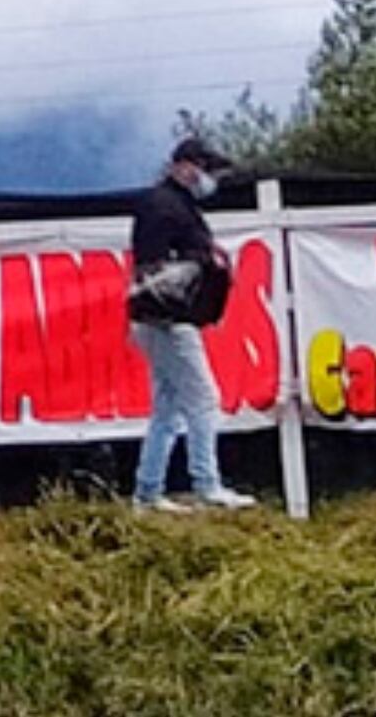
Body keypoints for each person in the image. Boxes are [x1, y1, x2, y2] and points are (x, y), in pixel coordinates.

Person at [128, 135, 257, 513]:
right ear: (184, 165)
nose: (208, 177)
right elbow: (157, 267)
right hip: (167, 318)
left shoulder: (170, 204)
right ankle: (207, 484)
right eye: (205, 168)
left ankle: (148, 492)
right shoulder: (165, 205)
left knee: (167, 406)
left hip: (160, 316)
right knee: (203, 400)